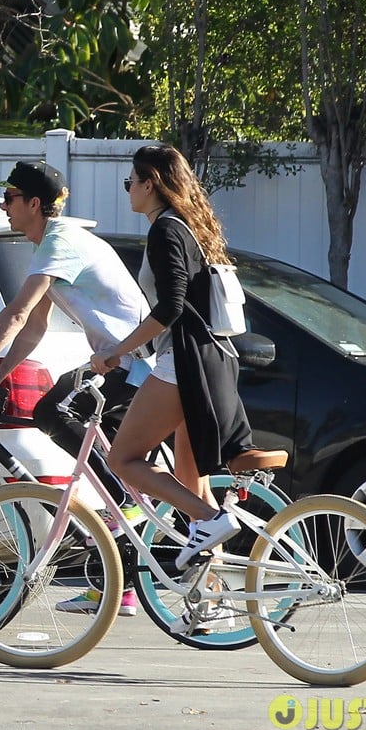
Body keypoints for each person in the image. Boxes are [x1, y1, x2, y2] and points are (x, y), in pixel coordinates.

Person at [0, 160, 154, 618]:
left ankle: (121, 494)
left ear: (35, 204)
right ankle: (116, 589)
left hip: (133, 363)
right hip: (121, 362)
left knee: (51, 412)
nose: (4, 206)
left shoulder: (59, 241)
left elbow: (17, 314)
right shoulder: (55, 244)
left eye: (11, 198)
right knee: (89, 443)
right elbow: (34, 327)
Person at [90, 144, 274, 577]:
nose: (127, 190)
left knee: (122, 459)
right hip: (211, 359)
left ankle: (211, 520)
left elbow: (171, 306)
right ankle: (208, 603)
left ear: (150, 182)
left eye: (130, 182)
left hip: (185, 362)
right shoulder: (189, 227)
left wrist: (117, 350)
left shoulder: (166, 230)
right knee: (191, 478)